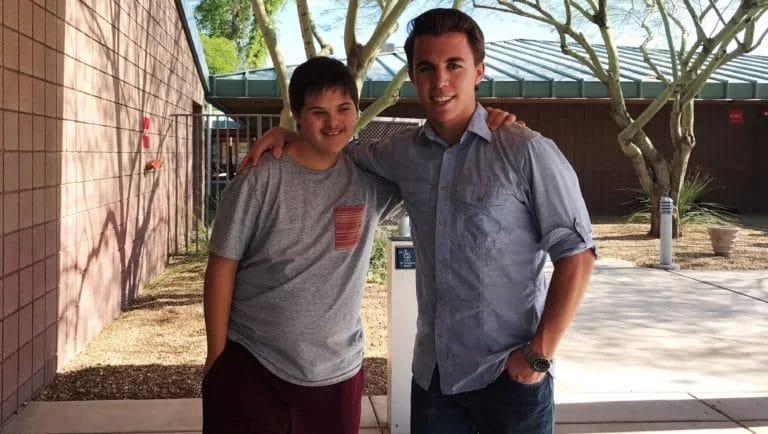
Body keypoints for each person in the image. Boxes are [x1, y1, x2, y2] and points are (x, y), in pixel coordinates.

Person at [242, 8, 597, 434]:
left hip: (509, 376)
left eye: (454, 66)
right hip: (434, 380)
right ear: (413, 75)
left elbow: (577, 255)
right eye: (426, 68)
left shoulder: (525, 151)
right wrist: (291, 134)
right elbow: (335, 148)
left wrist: (538, 356)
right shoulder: (401, 153)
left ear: (479, 71)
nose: (440, 81)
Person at [202, 56, 514, 433]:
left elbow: (438, 161)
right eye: (318, 112)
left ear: (357, 109)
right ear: (297, 114)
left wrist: (486, 122)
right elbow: (222, 266)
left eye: (344, 108)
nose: (333, 122)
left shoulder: (366, 178)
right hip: (254, 363)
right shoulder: (261, 179)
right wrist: (217, 357)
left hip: (338, 372)